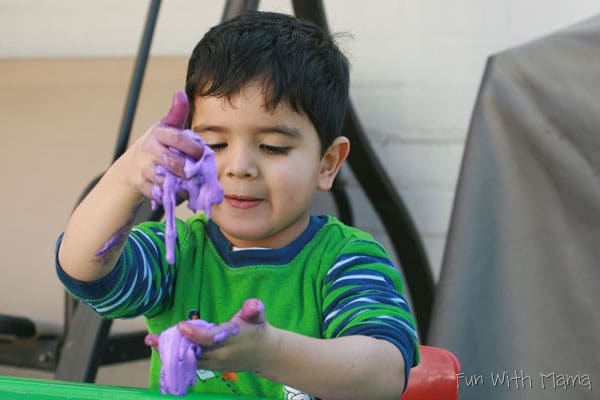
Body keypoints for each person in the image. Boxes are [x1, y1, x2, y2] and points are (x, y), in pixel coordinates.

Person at [56, 11, 419, 400]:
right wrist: (128, 174)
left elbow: (382, 376)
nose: (239, 168)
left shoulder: (345, 260)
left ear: (327, 163)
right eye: (214, 144)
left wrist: (269, 352)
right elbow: (83, 270)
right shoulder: (176, 253)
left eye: (272, 147)